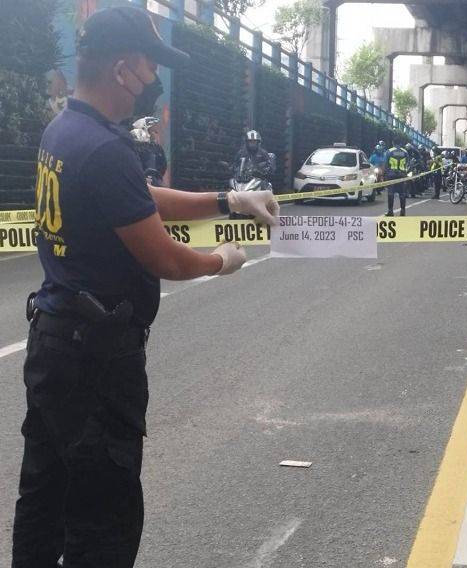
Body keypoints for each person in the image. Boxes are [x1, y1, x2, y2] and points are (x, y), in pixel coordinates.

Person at [11, 7, 279, 566]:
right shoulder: (104, 149)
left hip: (54, 348)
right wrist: (219, 261)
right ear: (123, 68)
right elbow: (163, 256)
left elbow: (137, 194)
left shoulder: (68, 130)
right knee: (102, 522)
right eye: (151, 65)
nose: (154, 80)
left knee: (44, 503)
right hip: (96, 365)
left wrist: (226, 201)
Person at [130, 116, 167, 186]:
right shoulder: (135, 147)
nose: (156, 135)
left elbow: (163, 166)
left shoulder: (157, 148)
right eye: (154, 131)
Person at [384, 141, 409, 216]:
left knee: (391, 193)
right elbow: (407, 163)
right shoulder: (405, 152)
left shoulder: (389, 151)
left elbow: (386, 164)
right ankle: (403, 211)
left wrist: (387, 173)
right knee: (402, 194)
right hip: (402, 175)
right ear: (400, 144)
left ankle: (390, 211)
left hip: (392, 175)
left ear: (393, 143)